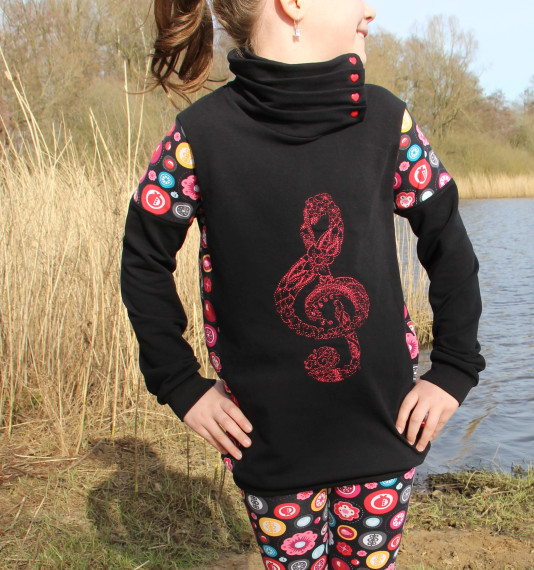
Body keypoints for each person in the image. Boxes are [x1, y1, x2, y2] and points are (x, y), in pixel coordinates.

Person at [120, 0, 486, 567]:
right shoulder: (200, 135)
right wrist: (180, 383)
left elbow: (447, 242)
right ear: (293, 4)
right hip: (267, 441)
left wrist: (455, 368)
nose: (371, 10)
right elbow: (144, 258)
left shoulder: (388, 122)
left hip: (384, 427)